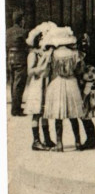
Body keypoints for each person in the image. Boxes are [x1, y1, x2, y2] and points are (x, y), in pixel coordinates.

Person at [42, 26, 84, 152]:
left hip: (57, 83)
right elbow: (80, 70)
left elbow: (47, 71)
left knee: (58, 115)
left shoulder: (52, 54)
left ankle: (59, 144)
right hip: (71, 83)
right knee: (73, 114)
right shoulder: (75, 53)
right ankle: (78, 142)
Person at [22, 21, 57, 150]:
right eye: (43, 38)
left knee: (45, 112)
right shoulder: (33, 54)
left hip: (46, 85)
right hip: (37, 86)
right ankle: (36, 141)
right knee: (36, 113)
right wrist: (41, 68)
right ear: (38, 39)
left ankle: (47, 139)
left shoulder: (47, 53)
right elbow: (30, 72)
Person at [77, 33, 95, 151]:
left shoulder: (89, 62)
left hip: (87, 92)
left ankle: (91, 140)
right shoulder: (89, 59)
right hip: (88, 90)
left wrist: (83, 95)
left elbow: (90, 80)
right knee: (85, 116)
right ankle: (91, 139)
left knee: (85, 116)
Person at [6, 10, 28, 116]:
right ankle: (16, 109)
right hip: (20, 59)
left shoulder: (7, 31)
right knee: (19, 84)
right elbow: (28, 44)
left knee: (13, 83)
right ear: (21, 20)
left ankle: (15, 107)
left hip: (10, 59)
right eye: (24, 19)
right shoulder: (23, 32)